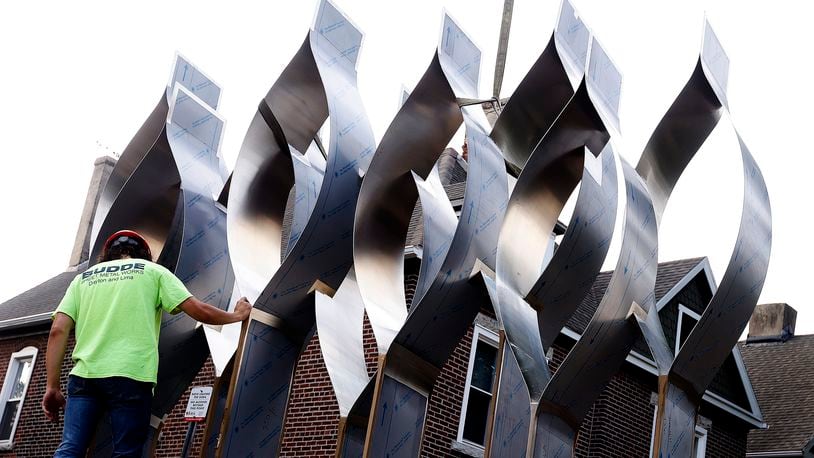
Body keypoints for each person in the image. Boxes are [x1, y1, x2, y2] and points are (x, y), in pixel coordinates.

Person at [42, 229, 251, 457]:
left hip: (84, 378)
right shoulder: (153, 272)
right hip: (131, 375)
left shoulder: (82, 279)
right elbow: (199, 311)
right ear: (143, 253)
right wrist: (236, 316)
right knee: (126, 452)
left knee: (71, 448)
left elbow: (57, 330)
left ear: (107, 254)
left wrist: (52, 386)